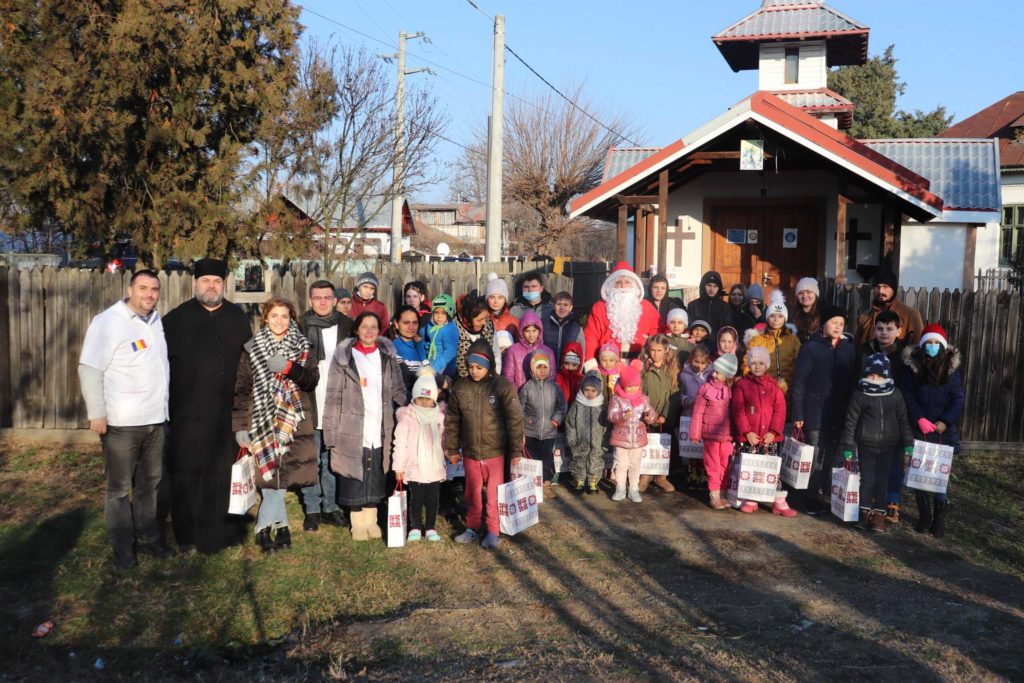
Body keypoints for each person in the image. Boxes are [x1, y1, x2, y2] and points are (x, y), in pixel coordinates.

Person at [79, 269, 173, 569]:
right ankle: (123, 549)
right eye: (143, 288)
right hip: (122, 423)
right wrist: (97, 414)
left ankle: (148, 539)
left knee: (151, 486)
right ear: (130, 289)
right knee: (119, 490)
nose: (149, 294)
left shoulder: (155, 320)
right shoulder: (108, 322)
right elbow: (90, 369)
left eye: (154, 289)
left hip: (156, 420)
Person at [164, 258, 252, 555]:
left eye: (216, 281)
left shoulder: (238, 318)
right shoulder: (175, 320)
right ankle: (188, 534)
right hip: (187, 413)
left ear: (223, 285)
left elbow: (249, 364)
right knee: (188, 473)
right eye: (206, 281)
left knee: (225, 473)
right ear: (195, 284)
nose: (211, 286)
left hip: (228, 414)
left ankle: (226, 532)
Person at [232, 298, 319, 553]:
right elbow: (242, 389)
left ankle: (264, 526)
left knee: (283, 473)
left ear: (292, 319)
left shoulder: (304, 347)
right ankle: (279, 525)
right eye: (274, 316)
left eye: (285, 316)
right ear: (265, 319)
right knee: (271, 473)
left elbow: (311, 380)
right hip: (262, 420)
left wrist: (290, 368)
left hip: (293, 420)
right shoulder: (252, 348)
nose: (279, 321)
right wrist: (240, 426)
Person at [323, 312, 407, 542]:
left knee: (377, 472)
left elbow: (398, 389)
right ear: (356, 329)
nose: (369, 331)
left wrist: (409, 411)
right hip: (351, 424)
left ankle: (371, 520)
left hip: (380, 423)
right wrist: (330, 431)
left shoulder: (387, 357)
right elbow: (333, 396)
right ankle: (357, 523)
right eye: (364, 326)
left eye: (373, 327)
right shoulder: (344, 358)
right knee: (354, 473)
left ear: (379, 331)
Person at [444, 339, 524, 549]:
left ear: (489, 365)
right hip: (470, 452)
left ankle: (492, 530)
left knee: (493, 494)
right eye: (470, 367)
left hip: (495, 452)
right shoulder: (461, 387)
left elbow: (514, 419)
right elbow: (452, 420)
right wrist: (452, 448)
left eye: (479, 367)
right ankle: (472, 527)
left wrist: (515, 449)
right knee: (472, 493)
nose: (474, 371)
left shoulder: (502, 386)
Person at [896, 324, 965, 538]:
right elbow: (907, 395)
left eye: (937, 343)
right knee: (919, 473)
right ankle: (924, 515)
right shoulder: (913, 367)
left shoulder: (951, 371)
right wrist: (919, 419)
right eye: (929, 343)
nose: (932, 347)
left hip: (943, 433)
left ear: (943, 347)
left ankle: (939, 518)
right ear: (923, 344)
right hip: (921, 430)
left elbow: (958, 398)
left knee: (939, 477)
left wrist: (945, 420)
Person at [789, 305, 857, 514]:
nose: (837, 327)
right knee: (817, 454)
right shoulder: (811, 347)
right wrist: (798, 414)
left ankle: (827, 494)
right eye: (834, 322)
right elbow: (799, 382)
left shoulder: (848, 348)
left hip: (839, 411)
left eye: (841, 324)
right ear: (824, 324)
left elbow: (853, 380)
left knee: (833, 455)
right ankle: (811, 497)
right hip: (815, 410)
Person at [840, 354, 914, 532]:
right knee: (867, 481)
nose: (875, 379)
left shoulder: (895, 394)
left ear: (887, 376)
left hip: (889, 445)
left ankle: (879, 514)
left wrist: (908, 442)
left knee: (882, 481)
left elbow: (903, 420)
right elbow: (850, 422)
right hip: (866, 444)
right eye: (871, 375)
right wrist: (848, 447)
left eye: (879, 375)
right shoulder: (859, 395)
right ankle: (864, 511)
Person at [300, 280, 352, 531]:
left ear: (334, 300)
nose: (322, 302)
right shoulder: (299, 326)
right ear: (310, 300)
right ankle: (312, 509)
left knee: (331, 459)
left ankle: (330, 506)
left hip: (337, 404)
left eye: (327, 297)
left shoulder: (348, 327)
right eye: (317, 297)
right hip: (309, 401)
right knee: (311, 459)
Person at [731, 347, 794, 517]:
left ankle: (779, 501)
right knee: (751, 468)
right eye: (754, 363)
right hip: (751, 437)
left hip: (768, 438)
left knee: (771, 469)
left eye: (761, 363)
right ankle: (751, 499)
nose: (757, 366)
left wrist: (773, 431)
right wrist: (747, 432)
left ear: (766, 365)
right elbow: (738, 411)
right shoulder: (742, 385)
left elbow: (780, 410)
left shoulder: (774, 386)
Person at [392, 370, 447, 543]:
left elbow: (443, 441)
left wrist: (448, 455)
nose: (423, 402)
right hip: (414, 467)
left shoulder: (439, 418)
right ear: (414, 397)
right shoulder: (407, 417)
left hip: (433, 467)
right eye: (420, 398)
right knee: (416, 500)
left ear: (434, 399)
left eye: (427, 398)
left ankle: (430, 527)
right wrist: (398, 467)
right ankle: (415, 526)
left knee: (432, 500)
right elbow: (399, 443)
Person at [582, 261, 661, 365]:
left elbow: (659, 334)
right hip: (608, 365)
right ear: (611, 286)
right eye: (618, 282)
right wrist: (590, 362)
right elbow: (590, 336)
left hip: (639, 365)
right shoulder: (600, 308)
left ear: (634, 285)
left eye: (627, 282)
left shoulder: (648, 308)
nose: (623, 286)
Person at [689, 353, 738, 510]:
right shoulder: (705, 389)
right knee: (713, 465)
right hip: (710, 435)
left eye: (719, 372)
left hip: (727, 436)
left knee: (725, 464)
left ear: (728, 375)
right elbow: (697, 413)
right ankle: (714, 495)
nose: (714, 374)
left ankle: (723, 493)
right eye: (714, 371)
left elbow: (735, 413)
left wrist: (737, 434)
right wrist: (695, 433)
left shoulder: (731, 391)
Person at [519, 351, 567, 498]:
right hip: (530, 430)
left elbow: (562, 406)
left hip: (548, 431)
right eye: (538, 367)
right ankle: (531, 486)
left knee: (546, 458)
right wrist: (521, 430)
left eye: (544, 367)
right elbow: (520, 409)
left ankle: (545, 484)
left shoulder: (554, 387)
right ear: (533, 369)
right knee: (532, 458)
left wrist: (555, 420)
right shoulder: (527, 387)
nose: (542, 370)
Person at [607, 364, 658, 503]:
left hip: (638, 438)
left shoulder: (643, 399)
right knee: (621, 465)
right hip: (620, 438)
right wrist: (623, 415)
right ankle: (620, 488)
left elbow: (652, 414)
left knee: (635, 465)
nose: (632, 388)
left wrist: (649, 417)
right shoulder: (616, 399)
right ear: (622, 385)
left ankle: (633, 489)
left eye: (635, 385)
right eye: (629, 386)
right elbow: (611, 416)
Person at [639, 334, 680, 493]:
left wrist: (665, 414)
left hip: (664, 417)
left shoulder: (671, 369)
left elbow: (675, 395)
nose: (655, 353)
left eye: (659, 350)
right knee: (646, 445)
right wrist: (645, 412)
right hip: (647, 416)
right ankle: (645, 475)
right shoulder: (644, 369)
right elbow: (639, 392)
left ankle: (661, 476)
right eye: (652, 350)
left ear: (666, 350)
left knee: (663, 447)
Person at [743, 291, 801, 394]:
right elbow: (747, 364)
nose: (776, 320)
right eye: (772, 316)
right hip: (763, 390)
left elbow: (800, 364)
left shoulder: (793, 340)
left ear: (785, 319)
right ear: (767, 317)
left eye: (780, 316)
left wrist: (791, 384)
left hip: (787, 389)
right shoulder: (757, 340)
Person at [854, 270, 924, 347]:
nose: (881, 291)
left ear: (893, 289)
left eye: (885, 286)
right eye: (877, 287)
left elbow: (918, 346)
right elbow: (856, 347)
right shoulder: (864, 317)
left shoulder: (911, 315)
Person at [566, 371, 607, 494]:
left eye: (593, 391)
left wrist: (605, 441)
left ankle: (593, 481)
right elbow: (570, 422)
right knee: (579, 459)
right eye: (587, 390)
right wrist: (571, 438)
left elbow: (607, 425)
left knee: (595, 459)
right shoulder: (577, 405)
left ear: (599, 391)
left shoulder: (601, 406)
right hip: (580, 440)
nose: (589, 393)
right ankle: (579, 480)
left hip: (597, 440)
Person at [502, 310, 555, 390]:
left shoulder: (548, 352)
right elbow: (508, 377)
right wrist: (521, 393)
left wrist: (540, 394)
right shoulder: (512, 351)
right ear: (522, 331)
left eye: (534, 331)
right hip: (518, 396)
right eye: (527, 331)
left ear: (539, 331)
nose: (531, 335)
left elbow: (551, 377)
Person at [452, 296, 502, 379]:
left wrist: (494, 376)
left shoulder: (489, 327)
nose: (484, 322)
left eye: (485, 318)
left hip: (487, 379)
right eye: (479, 320)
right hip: (460, 380)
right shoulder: (454, 329)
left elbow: (495, 353)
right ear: (467, 319)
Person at [390, 305, 430, 396]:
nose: (411, 327)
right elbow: (406, 381)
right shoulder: (393, 349)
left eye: (415, 322)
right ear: (396, 324)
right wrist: (429, 392)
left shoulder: (422, 346)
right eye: (406, 323)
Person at [856, 309, 905, 376]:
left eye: (889, 329)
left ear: (898, 332)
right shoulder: (863, 351)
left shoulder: (904, 355)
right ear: (874, 330)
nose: (884, 333)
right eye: (880, 329)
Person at [544, 291, 584, 367]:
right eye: (559, 304)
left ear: (571, 307)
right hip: (547, 371)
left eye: (566, 305)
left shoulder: (576, 327)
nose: (562, 308)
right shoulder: (545, 324)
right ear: (554, 305)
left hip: (567, 372)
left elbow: (582, 352)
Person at [423, 294, 459, 377]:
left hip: (444, 368)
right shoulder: (430, 325)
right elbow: (427, 341)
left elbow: (450, 352)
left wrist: (436, 368)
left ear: (450, 313)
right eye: (436, 312)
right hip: (430, 363)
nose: (439, 316)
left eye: (443, 313)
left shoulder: (450, 330)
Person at [686, 271, 731, 336]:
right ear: (703, 286)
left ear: (719, 288)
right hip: (697, 343)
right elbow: (689, 328)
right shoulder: (693, 306)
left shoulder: (725, 307)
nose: (711, 289)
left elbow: (727, 329)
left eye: (715, 286)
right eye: (709, 285)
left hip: (718, 344)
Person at [484, 273, 520, 340]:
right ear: (487, 299)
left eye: (500, 297)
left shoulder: (514, 322)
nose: (496, 301)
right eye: (492, 297)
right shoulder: (481, 320)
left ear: (505, 299)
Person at [679, 346, 711, 417]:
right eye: (696, 362)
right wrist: (687, 401)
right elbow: (679, 394)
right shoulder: (683, 375)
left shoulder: (711, 375)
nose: (699, 366)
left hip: (705, 414)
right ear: (690, 359)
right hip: (688, 413)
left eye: (703, 363)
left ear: (707, 362)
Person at [791, 278, 821, 343]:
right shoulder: (791, 314)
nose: (804, 296)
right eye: (801, 293)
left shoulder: (823, 314)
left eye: (809, 292)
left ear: (816, 295)